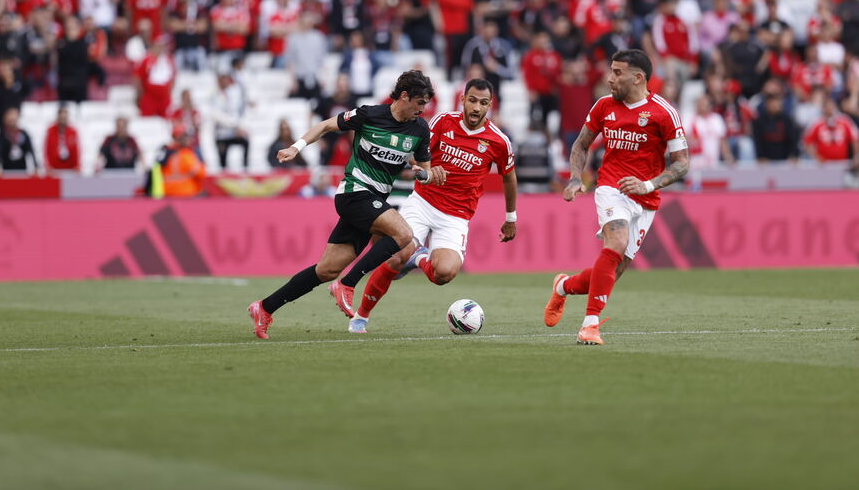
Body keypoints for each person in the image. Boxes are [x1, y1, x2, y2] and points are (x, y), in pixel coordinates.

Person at [247, 70, 444, 339]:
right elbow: (327, 125)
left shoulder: (419, 129)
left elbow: (423, 170)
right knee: (404, 235)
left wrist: (429, 174)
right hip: (354, 193)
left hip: (374, 201)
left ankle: (264, 308)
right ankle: (348, 285)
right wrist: (297, 147)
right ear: (405, 96)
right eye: (420, 103)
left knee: (326, 269)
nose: (423, 110)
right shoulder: (369, 115)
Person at [348, 77, 518, 333]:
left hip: (456, 216)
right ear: (463, 99)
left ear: (489, 105)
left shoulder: (498, 140)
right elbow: (417, 154)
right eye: (471, 100)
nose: (476, 108)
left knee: (444, 274)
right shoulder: (442, 121)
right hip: (424, 202)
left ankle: (419, 258)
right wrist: (422, 168)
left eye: (483, 103)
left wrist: (511, 217)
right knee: (395, 257)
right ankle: (361, 316)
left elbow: (509, 177)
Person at [543, 49, 690, 345]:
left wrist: (648, 185)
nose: (610, 78)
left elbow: (682, 163)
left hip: (645, 197)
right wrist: (574, 178)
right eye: (611, 71)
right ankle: (590, 325)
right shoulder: (603, 106)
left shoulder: (663, 112)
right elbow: (581, 145)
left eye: (617, 73)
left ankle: (564, 286)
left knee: (613, 269)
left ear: (638, 78)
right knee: (617, 243)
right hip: (611, 186)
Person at [210, 66, 250, 171]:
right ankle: (224, 172)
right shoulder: (214, 95)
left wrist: (239, 126)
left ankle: (245, 169)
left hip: (234, 132)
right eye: (222, 79)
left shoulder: (234, 93)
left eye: (226, 78)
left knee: (246, 142)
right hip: (221, 133)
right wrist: (235, 125)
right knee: (222, 158)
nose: (224, 81)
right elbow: (217, 115)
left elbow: (238, 112)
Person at [150, 123, 207, 198]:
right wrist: (202, 162)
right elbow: (201, 174)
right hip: (187, 194)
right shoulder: (185, 154)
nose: (189, 139)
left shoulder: (165, 152)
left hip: (166, 194)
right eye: (186, 137)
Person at [0, 107, 39, 174]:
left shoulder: (24, 134)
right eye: (10, 116)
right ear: (5, 119)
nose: (12, 118)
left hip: (22, 170)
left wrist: (36, 166)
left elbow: (31, 151)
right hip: (6, 171)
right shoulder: (2, 136)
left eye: (14, 117)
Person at [44, 105, 80, 172]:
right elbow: (47, 150)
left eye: (65, 113)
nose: (63, 116)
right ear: (58, 116)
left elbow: (76, 150)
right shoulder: (51, 131)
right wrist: (48, 166)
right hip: (54, 169)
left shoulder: (73, 132)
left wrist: (77, 166)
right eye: (61, 114)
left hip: (70, 169)